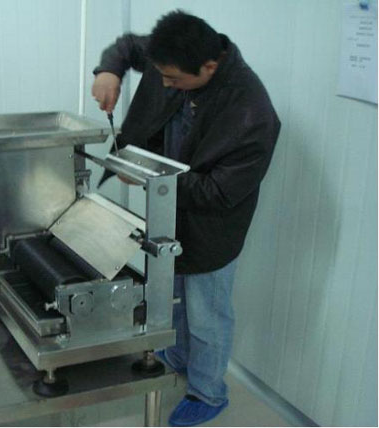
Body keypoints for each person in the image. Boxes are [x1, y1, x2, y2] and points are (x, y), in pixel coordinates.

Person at [91, 10, 280, 427]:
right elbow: (128, 46)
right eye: (162, 74)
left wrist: (149, 174)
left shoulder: (252, 113)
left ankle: (208, 392)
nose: (164, 84)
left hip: (213, 229)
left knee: (207, 314)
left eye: (173, 79)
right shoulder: (179, 55)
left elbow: (218, 194)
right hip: (169, 210)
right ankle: (177, 357)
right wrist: (109, 71)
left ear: (209, 67)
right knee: (171, 294)